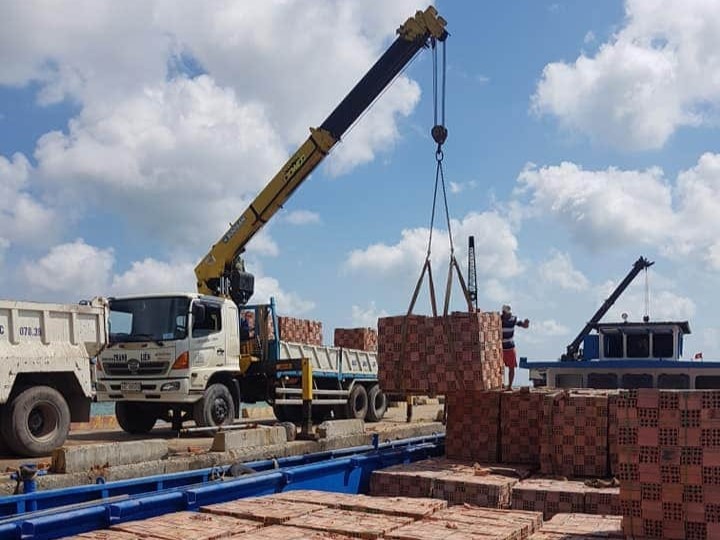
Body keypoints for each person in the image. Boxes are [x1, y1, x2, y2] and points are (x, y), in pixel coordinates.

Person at [501, 304, 529, 389]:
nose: (509, 314)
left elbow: (524, 325)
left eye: (509, 313)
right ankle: (501, 384)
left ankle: (509, 386)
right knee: (499, 368)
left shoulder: (514, 319)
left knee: (511, 367)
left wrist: (526, 323)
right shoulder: (498, 319)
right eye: (507, 313)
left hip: (510, 347)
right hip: (500, 348)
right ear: (503, 313)